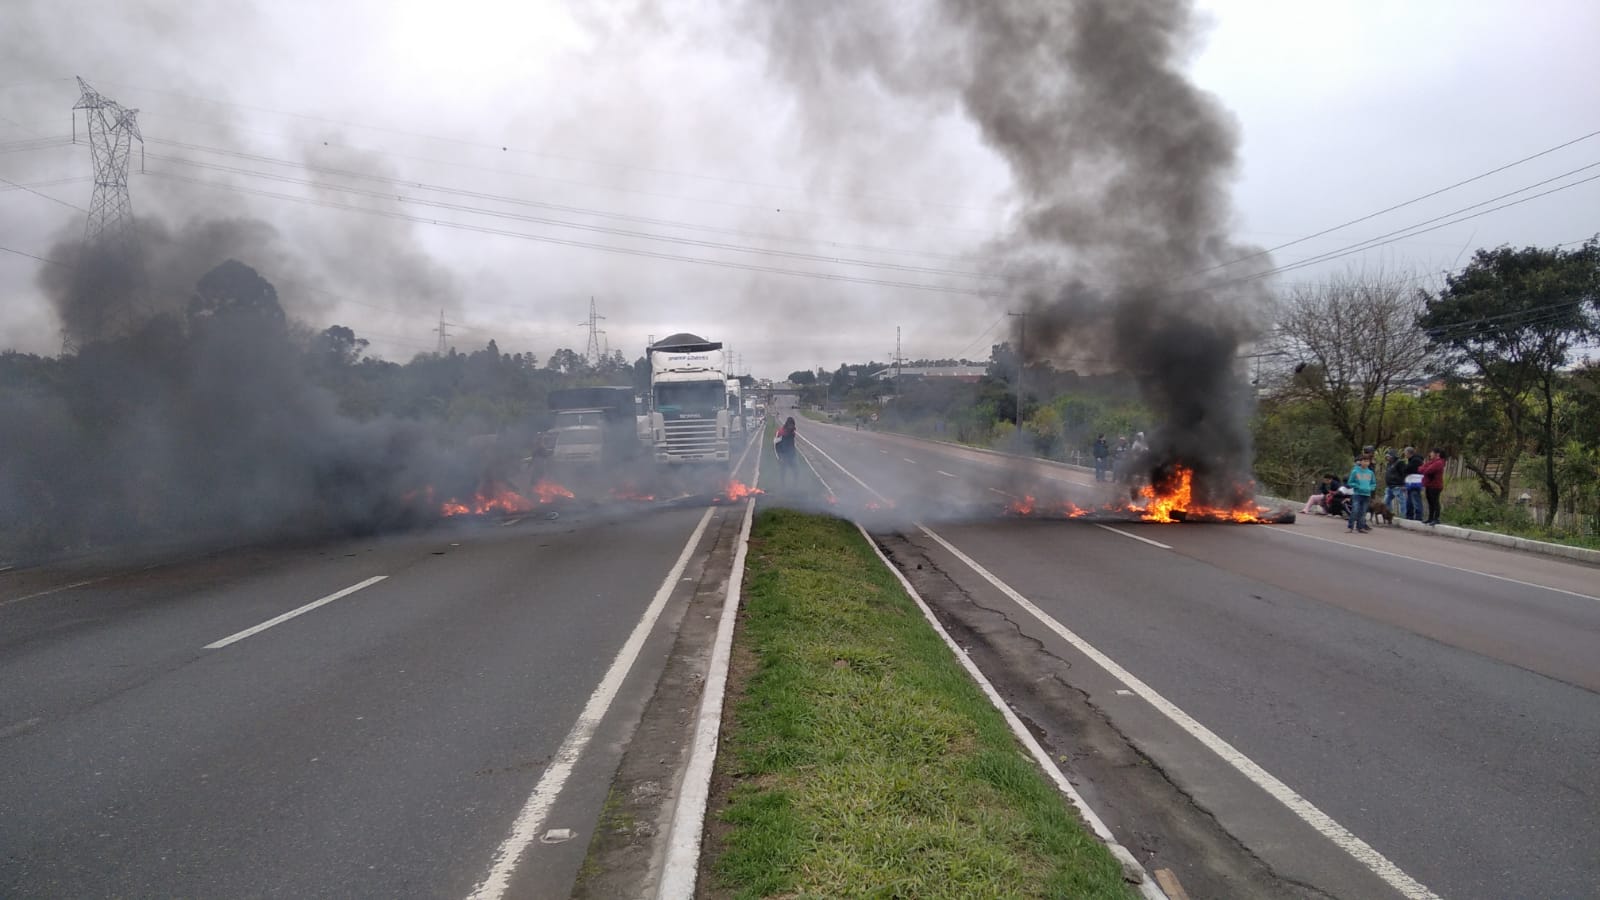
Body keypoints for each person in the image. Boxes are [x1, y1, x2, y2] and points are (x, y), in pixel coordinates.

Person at [1345, 453, 1377, 533]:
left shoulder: (1370, 473)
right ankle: (1350, 526)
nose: (1366, 463)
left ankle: (1361, 527)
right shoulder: (1355, 471)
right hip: (1357, 494)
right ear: (1361, 462)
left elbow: (1373, 483)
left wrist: (1370, 488)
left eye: (1367, 461)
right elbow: (1350, 482)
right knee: (1355, 510)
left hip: (1366, 494)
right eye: (1364, 461)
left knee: (1363, 512)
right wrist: (1357, 486)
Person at [1419, 448, 1447, 525]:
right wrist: (1424, 469)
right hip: (1429, 485)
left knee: (1435, 502)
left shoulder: (1439, 463)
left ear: (1437, 454)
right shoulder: (1432, 462)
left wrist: (1424, 469)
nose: (1430, 454)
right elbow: (1420, 468)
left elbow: (1428, 470)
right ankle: (1430, 518)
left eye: (1431, 452)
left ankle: (1436, 518)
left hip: (1435, 486)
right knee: (1430, 503)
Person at [774, 416, 798, 485]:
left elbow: (792, 444)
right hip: (782, 455)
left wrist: (794, 454)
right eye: (790, 425)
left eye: (792, 425)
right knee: (783, 472)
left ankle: (795, 485)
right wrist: (779, 457)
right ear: (787, 424)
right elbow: (775, 445)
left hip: (790, 455)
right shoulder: (781, 432)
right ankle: (782, 486)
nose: (791, 426)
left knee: (796, 470)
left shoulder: (792, 433)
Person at [1403, 446, 1424, 521]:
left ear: (1408, 453)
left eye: (1405, 453)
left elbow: (1407, 469)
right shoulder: (1412, 460)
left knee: (1416, 500)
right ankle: (1409, 515)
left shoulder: (1415, 460)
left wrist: (1405, 468)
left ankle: (1418, 516)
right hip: (1411, 483)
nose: (1404, 455)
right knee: (1410, 500)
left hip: (1415, 483)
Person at [1383, 449, 1407, 516]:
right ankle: (1389, 514)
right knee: (1386, 501)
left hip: (1398, 486)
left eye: (1389, 456)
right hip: (1389, 486)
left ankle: (1403, 515)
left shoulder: (1400, 463)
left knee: (1402, 501)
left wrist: (1403, 484)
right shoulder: (1389, 464)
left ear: (1393, 456)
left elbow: (1404, 474)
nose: (1387, 458)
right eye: (1387, 456)